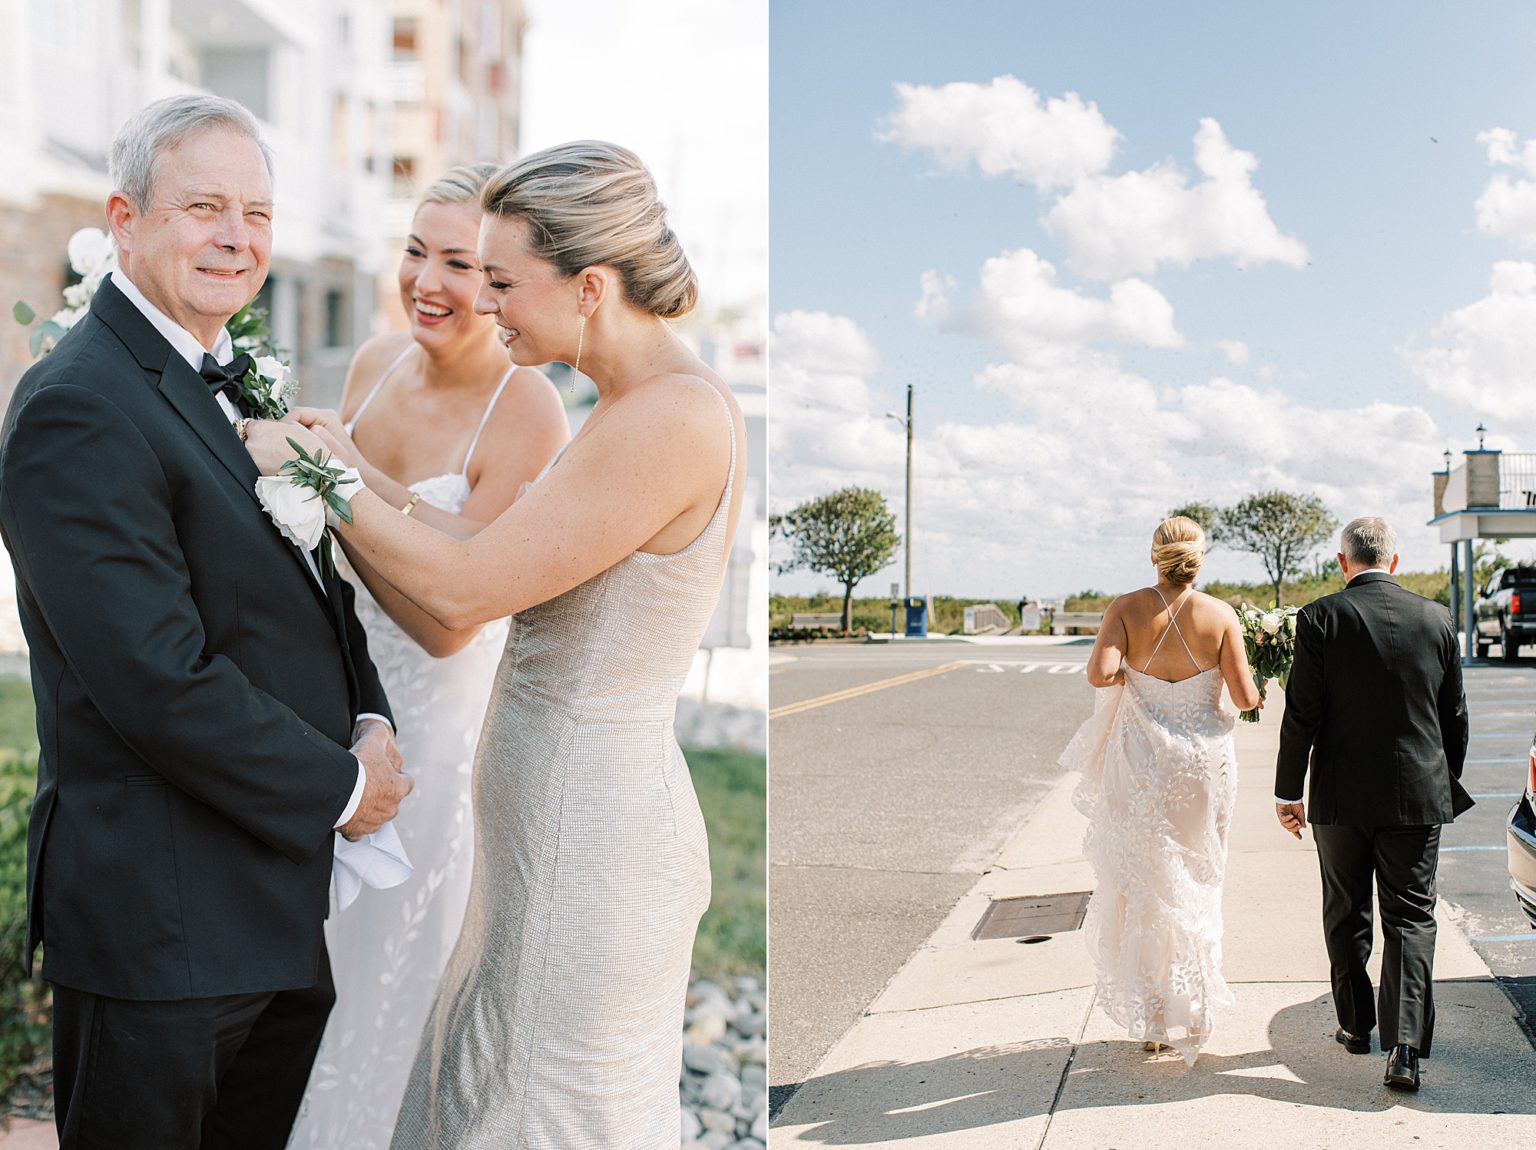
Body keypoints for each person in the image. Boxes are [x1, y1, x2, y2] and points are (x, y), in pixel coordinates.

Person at [246, 140, 743, 1148]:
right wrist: (351, 464)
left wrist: (322, 479)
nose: (490, 304)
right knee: (479, 1102)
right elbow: (488, 543)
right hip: (546, 843)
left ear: (590, 287)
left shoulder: (672, 419)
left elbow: (469, 587)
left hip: (587, 849)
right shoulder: (636, 408)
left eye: (505, 281)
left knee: (531, 1113)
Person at [0, 94, 410, 1149]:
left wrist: (369, 714)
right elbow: (155, 678)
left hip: (271, 909)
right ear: (125, 219)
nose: (238, 236)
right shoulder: (77, 404)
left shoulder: (231, 379)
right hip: (161, 924)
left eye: (259, 214)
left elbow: (316, 593)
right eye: (205, 207)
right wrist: (350, 788)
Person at [287, 165, 568, 1149]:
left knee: (391, 1001)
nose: (429, 281)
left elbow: (454, 615)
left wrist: (333, 472)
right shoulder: (372, 364)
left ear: (500, 280)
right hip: (329, 727)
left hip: (433, 754)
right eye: (416, 250)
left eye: (461, 262)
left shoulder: (527, 409)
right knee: (314, 989)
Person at [1275, 516, 1472, 1093]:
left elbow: (1301, 715)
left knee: (1345, 909)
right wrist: (1440, 780)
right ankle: (1405, 1048)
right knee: (1411, 917)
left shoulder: (1319, 618)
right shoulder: (1437, 619)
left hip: (1339, 796)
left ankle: (1356, 1025)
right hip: (1417, 793)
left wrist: (1288, 790)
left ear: (1343, 563)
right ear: (1395, 560)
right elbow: (1454, 715)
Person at [1058, 516, 1261, 1064]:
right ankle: (1190, 1008)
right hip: (1201, 765)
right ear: (1200, 559)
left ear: (1155, 557)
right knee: (1197, 877)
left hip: (1142, 761)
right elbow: (1244, 699)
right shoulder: (1220, 615)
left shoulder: (1125, 609)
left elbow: (1100, 675)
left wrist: (1139, 681)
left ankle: (1153, 1015)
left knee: (1145, 885)